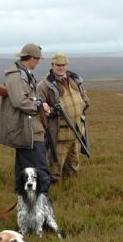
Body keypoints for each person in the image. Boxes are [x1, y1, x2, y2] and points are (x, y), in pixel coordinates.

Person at [0, 43, 52, 194]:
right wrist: (39, 106)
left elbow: (26, 97)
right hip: (28, 131)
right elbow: (19, 101)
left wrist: (38, 102)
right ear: (31, 58)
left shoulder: (24, 74)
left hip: (29, 129)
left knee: (25, 170)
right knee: (39, 170)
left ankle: (25, 204)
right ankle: (39, 204)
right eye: (37, 59)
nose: (38, 62)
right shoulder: (17, 76)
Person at [37, 52, 90, 182]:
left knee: (74, 164)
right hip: (59, 135)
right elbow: (40, 109)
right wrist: (51, 110)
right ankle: (54, 193)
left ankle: (70, 188)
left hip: (77, 132)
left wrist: (85, 103)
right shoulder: (44, 85)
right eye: (58, 65)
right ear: (52, 65)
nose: (61, 68)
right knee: (55, 167)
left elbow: (84, 98)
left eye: (63, 65)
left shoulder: (75, 80)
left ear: (67, 65)